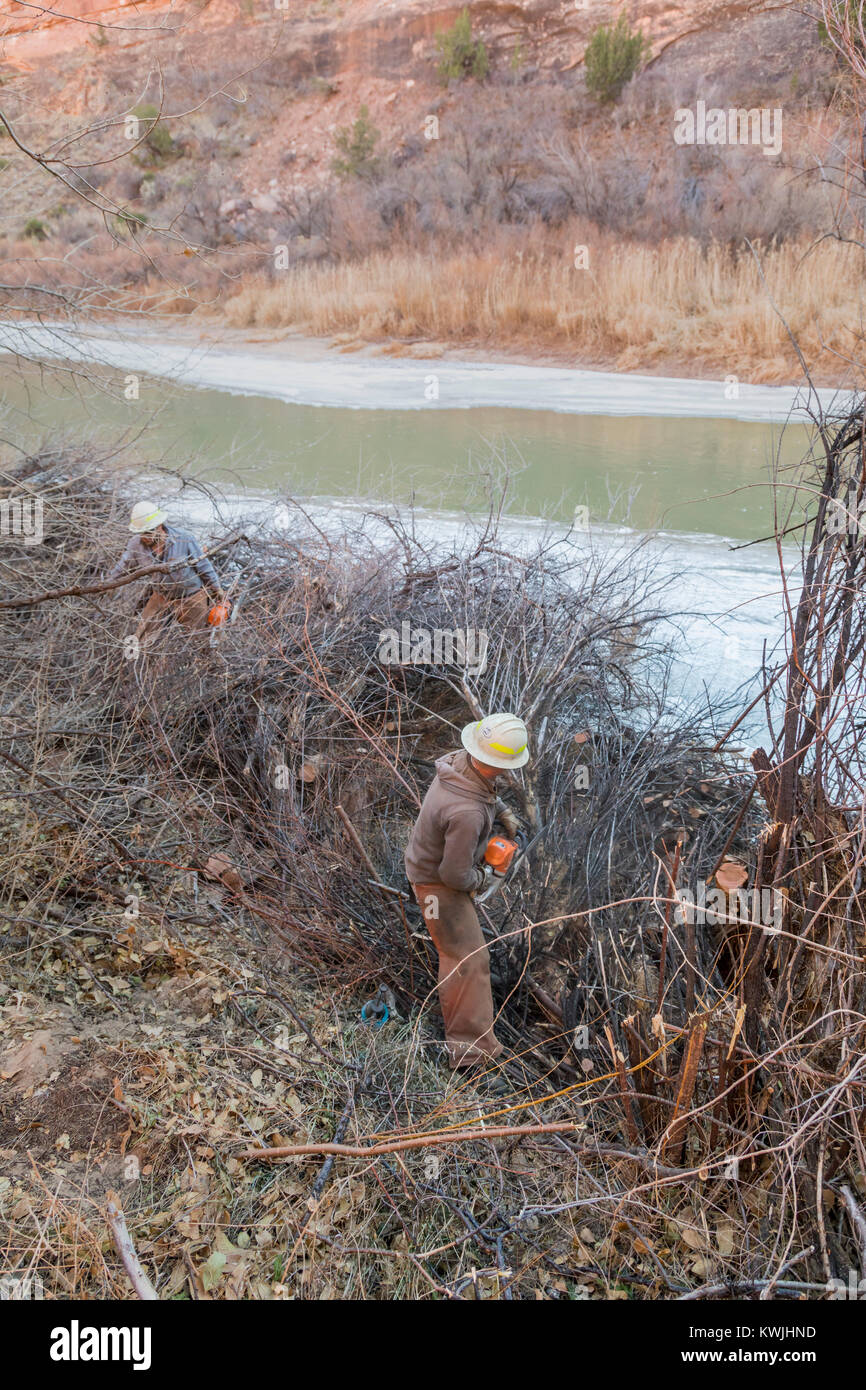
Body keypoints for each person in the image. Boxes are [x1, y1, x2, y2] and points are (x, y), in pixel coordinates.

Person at [405, 713, 528, 1073]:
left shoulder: (459, 763)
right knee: (468, 962)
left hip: (429, 863)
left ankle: (471, 1045)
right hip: (436, 885)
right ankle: (470, 1057)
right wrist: (484, 877)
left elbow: (480, 789)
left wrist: (502, 810)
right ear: (496, 761)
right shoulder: (468, 813)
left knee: (466, 957)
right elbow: (454, 874)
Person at [107, 502, 229, 646]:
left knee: (195, 640)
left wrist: (217, 589)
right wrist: (107, 584)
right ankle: (146, 661)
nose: (144, 536)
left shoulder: (184, 539)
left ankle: (200, 661)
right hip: (161, 596)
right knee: (142, 637)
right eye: (141, 533)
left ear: (160, 526)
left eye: (148, 532)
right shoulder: (136, 544)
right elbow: (123, 565)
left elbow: (203, 566)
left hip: (191, 596)